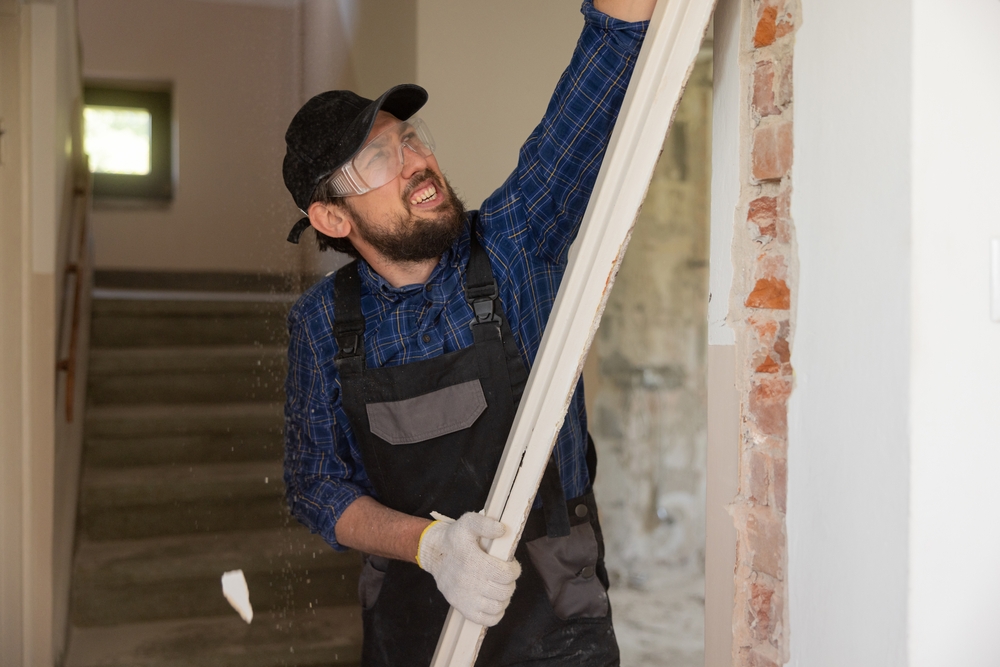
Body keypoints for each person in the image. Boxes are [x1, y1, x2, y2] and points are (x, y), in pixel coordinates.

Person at [281, 1, 654, 664]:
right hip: (411, 627)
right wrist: (430, 546)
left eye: (410, 139)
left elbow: (608, 58)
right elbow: (315, 483)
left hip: (555, 618)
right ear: (332, 219)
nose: (415, 162)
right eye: (379, 159)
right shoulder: (322, 324)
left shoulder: (515, 244)